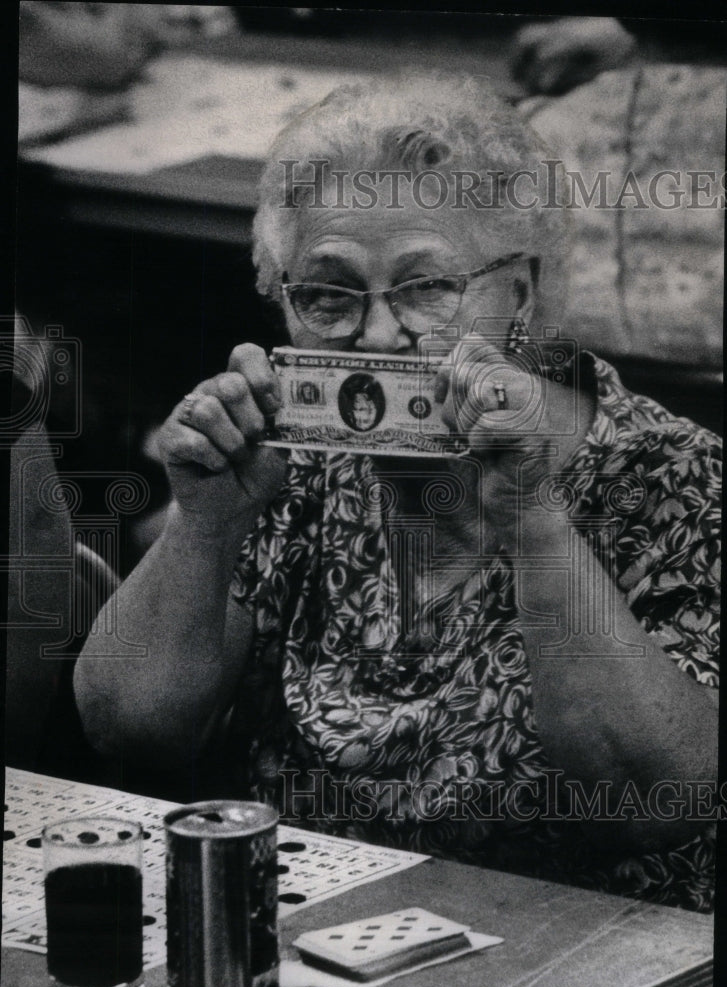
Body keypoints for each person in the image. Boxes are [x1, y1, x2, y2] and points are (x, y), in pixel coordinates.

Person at [74, 75, 719, 912]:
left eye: (425, 288)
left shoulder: (674, 477)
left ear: (517, 296)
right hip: (311, 933)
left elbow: (648, 803)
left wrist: (531, 519)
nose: (377, 335)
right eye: (328, 295)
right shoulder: (293, 463)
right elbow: (130, 729)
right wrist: (207, 522)